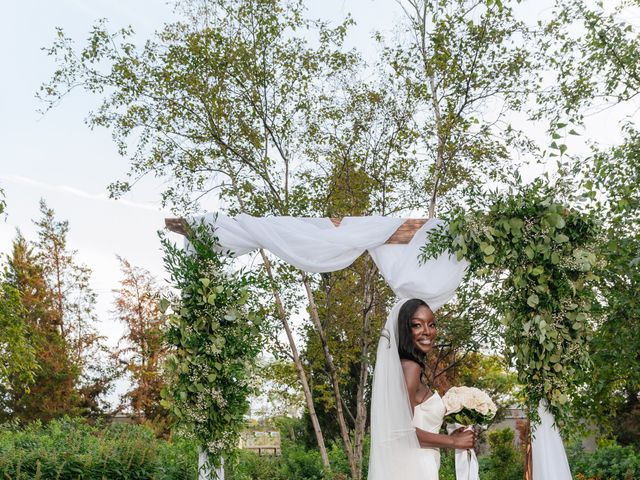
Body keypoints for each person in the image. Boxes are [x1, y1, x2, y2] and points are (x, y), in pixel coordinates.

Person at [368, 298, 475, 480]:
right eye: (417, 325)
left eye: (431, 324)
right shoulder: (411, 368)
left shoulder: (402, 368)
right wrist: (453, 441)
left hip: (413, 464)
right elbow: (399, 431)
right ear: (404, 329)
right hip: (415, 468)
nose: (427, 331)